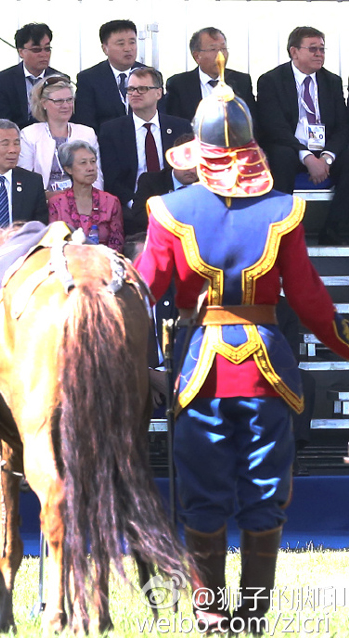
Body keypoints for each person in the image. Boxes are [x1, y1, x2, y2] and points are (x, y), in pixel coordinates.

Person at [135, 67, 349, 633]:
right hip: (266, 372)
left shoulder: (169, 211)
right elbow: (310, 300)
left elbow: (141, 293)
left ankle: (209, 613)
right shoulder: (284, 211)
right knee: (265, 491)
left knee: (201, 495)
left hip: (198, 369)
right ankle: (253, 613)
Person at [256, 26, 349, 245]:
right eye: (313, 49)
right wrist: (306, 157)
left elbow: (342, 126)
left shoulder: (332, 81)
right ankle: (280, 233)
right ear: (294, 52)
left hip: (324, 150)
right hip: (290, 146)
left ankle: (333, 232)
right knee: (281, 155)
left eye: (322, 49)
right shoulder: (271, 80)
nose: (319, 54)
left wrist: (327, 157)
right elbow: (273, 127)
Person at [99, 67, 192, 233]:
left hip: (176, 205)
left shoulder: (180, 127)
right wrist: (135, 204)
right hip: (131, 211)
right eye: (131, 89)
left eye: (142, 88)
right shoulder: (111, 130)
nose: (135, 93)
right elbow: (112, 179)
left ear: (158, 93)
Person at [19, 75, 103, 196]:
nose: (66, 105)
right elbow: (25, 178)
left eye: (69, 100)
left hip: (83, 201)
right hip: (44, 203)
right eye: (58, 101)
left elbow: (97, 176)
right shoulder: (29, 134)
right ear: (44, 103)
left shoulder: (87, 133)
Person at [165, 27, 255, 122]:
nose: (221, 55)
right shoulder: (179, 85)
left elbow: (253, 123)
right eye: (213, 49)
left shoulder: (241, 81)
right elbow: (175, 126)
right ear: (197, 56)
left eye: (223, 48)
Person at [48, 140, 123, 252]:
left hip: (103, 263)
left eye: (93, 162)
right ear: (68, 169)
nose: (90, 168)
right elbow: (52, 243)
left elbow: (117, 244)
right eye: (83, 163)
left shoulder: (111, 201)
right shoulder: (57, 203)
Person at [73, 19, 146, 132]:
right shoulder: (89, 79)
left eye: (132, 42)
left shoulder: (149, 76)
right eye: (121, 44)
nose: (128, 48)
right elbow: (86, 123)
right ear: (105, 49)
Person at [0, 23, 64, 130]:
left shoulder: (59, 79)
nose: (43, 54)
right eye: (36, 50)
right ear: (21, 52)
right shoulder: (4, 80)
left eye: (47, 49)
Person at [132, 133, 199, 230]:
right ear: (174, 159)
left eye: (196, 164)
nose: (192, 170)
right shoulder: (150, 181)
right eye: (187, 163)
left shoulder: (207, 186)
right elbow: (139, 216)